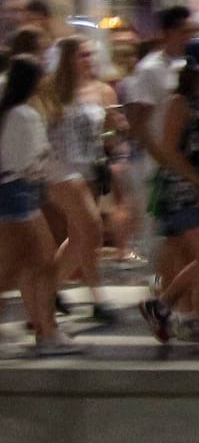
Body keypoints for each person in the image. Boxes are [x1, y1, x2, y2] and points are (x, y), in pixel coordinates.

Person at [140, 39, 199, 350]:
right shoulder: (179, 104)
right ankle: (198, 318)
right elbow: (169, 151)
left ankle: (165, 307)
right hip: (186, 190)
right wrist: (198, 182)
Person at [0, 56, 79, 355]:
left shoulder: (8, 112)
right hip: (19, 193)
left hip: (12, 192)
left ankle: (47, 330)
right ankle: (47, 333)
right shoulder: (26, 115)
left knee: (29, 265)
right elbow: (30, 161)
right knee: (32, 265)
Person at [38, 37, 117, 323]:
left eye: (91, 54)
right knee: (91, 227)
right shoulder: (50, 89)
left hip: (90, 167)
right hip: (60, 168)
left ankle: (48, 293)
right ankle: (96, 295)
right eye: (82, 55)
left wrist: (113, 133)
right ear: (67, 58)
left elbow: (106, 134)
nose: (89, 60)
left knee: (80, 237)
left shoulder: (100, 91)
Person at [124, 6, 195, 272]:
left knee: (183, 232)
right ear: (167, 32)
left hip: (182, 159)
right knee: (163, 232)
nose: (188, 37)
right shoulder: (150, 70)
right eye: (183, 31)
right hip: (158, 163)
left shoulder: (187, 65)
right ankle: (163, 290)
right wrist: (159, 159)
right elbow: (138, 120)